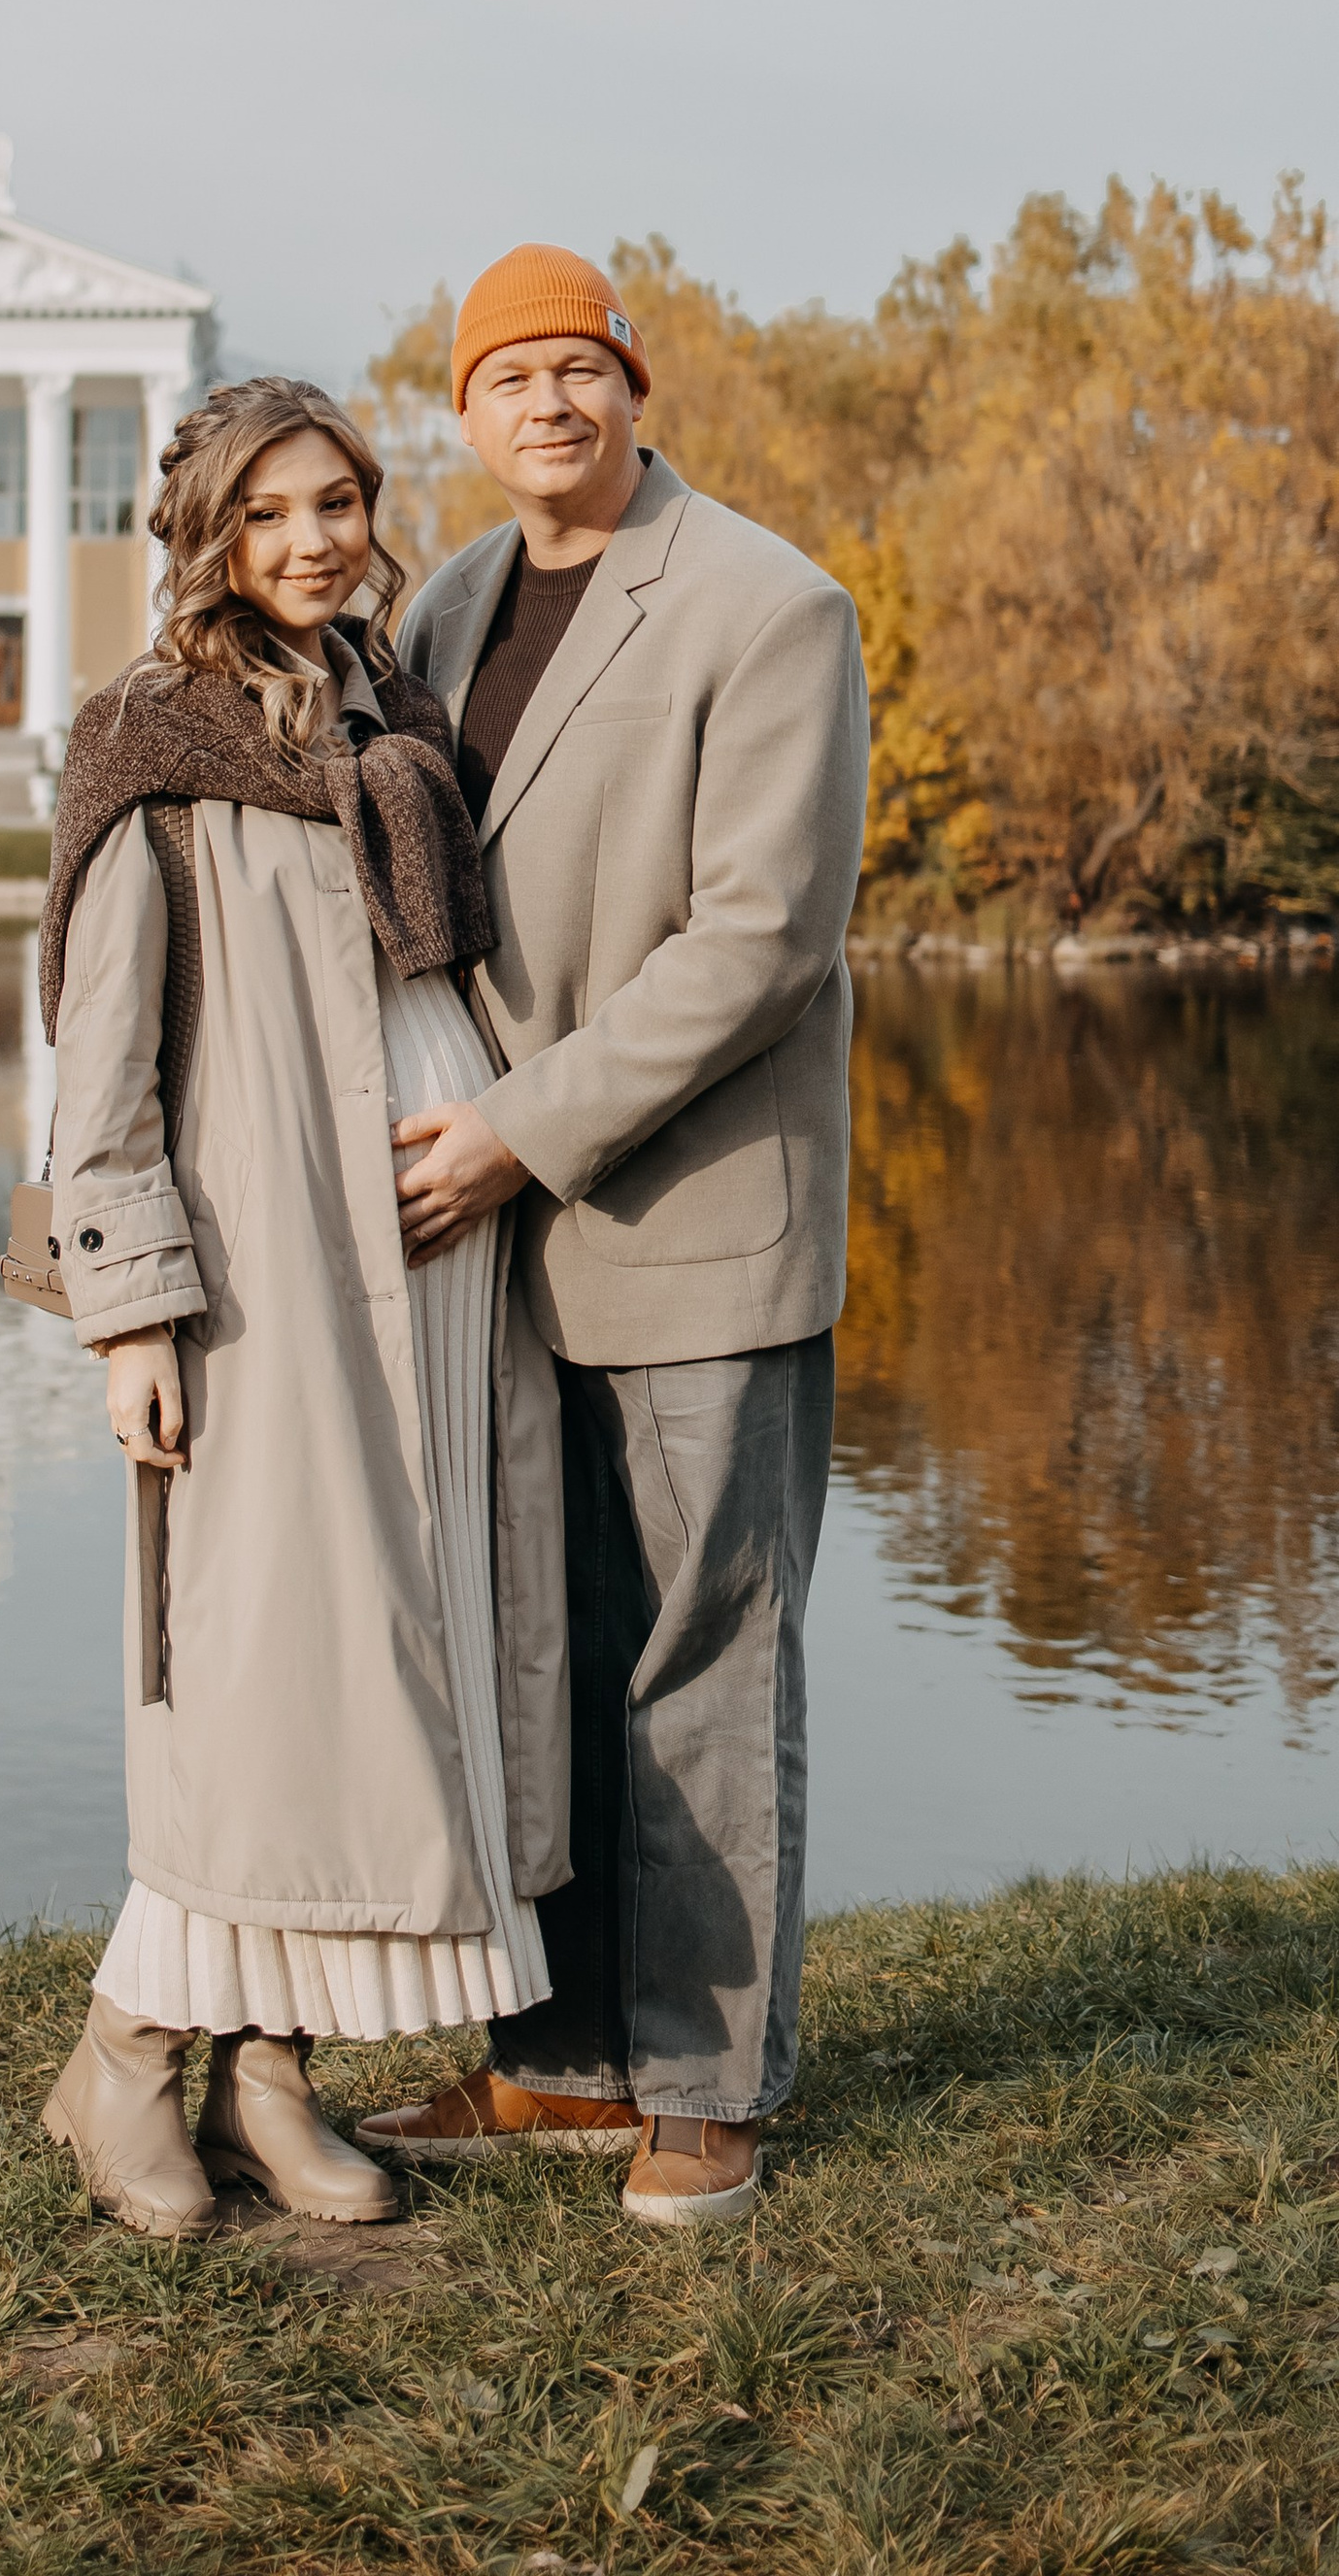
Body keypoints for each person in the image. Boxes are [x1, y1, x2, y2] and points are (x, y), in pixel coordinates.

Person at [359, 245, 869, 2227]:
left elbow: (756, 941)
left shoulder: (765, 601)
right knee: (540, 1653)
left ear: (632, 390)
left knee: (700, 1657)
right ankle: (559, 2062)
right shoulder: (452, 596)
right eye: (509, 380)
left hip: (683, 1217)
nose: (548, 408)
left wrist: (512, 1132)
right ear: (464, 414)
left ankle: (711, 2084)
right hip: (500, 1238)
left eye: (579, 371)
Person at [34, 378, 572, 2239]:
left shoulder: (393, 716)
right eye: (268, 515)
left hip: (436, 1264)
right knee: (263, 1690)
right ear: (209, 537)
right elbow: (99, 1072)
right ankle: (123, 2057)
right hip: (267, 1279)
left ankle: (273, 2073)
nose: (315, 540)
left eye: (337, 501)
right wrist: (130, 1320)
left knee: (378, 1684)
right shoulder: (147, 744)